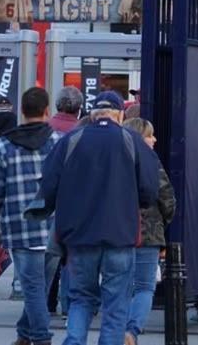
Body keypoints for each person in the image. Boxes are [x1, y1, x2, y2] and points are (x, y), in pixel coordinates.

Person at [39, 91, 160, 345]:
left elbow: (48, 183)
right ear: (120, 114)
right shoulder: (132, 140)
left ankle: (73, 341)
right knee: (116, 302)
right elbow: (150, 189)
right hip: (121, 234)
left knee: (81, 298)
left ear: (92, 114)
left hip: (79, 235)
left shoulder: (71, 140)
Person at [0, 87, 58, 345]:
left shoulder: (2, 146)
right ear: (47, 111)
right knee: (40, 288)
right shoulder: (59, 143)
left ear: (21, 111)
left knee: (33, 288)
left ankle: (40, 339)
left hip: (20, 227)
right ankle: (24, 336)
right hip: (56, 228)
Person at [123, 118, 175, 345]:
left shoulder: (115, 159)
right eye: (150, 135)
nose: (154, 139)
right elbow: (167, 197)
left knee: (121, 286)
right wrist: (165, 221)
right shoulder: (151, 161)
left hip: (119, 232)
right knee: (144, 287)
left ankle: (118, 329)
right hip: (149, 232)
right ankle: (132, 331)